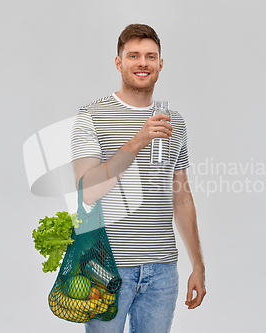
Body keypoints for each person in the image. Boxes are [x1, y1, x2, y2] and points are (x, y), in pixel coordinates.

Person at [70, 23, 205, 333]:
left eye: (150, 56)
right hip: (105, 266)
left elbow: (181, 196)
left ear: (160, 64)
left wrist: (198, 265)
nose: (142, 63)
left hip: (162, 270)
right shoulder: (91, 116)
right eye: (133, 56)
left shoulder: (176, 122)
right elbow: (87, 190)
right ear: (119, 63)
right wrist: (137, 141)